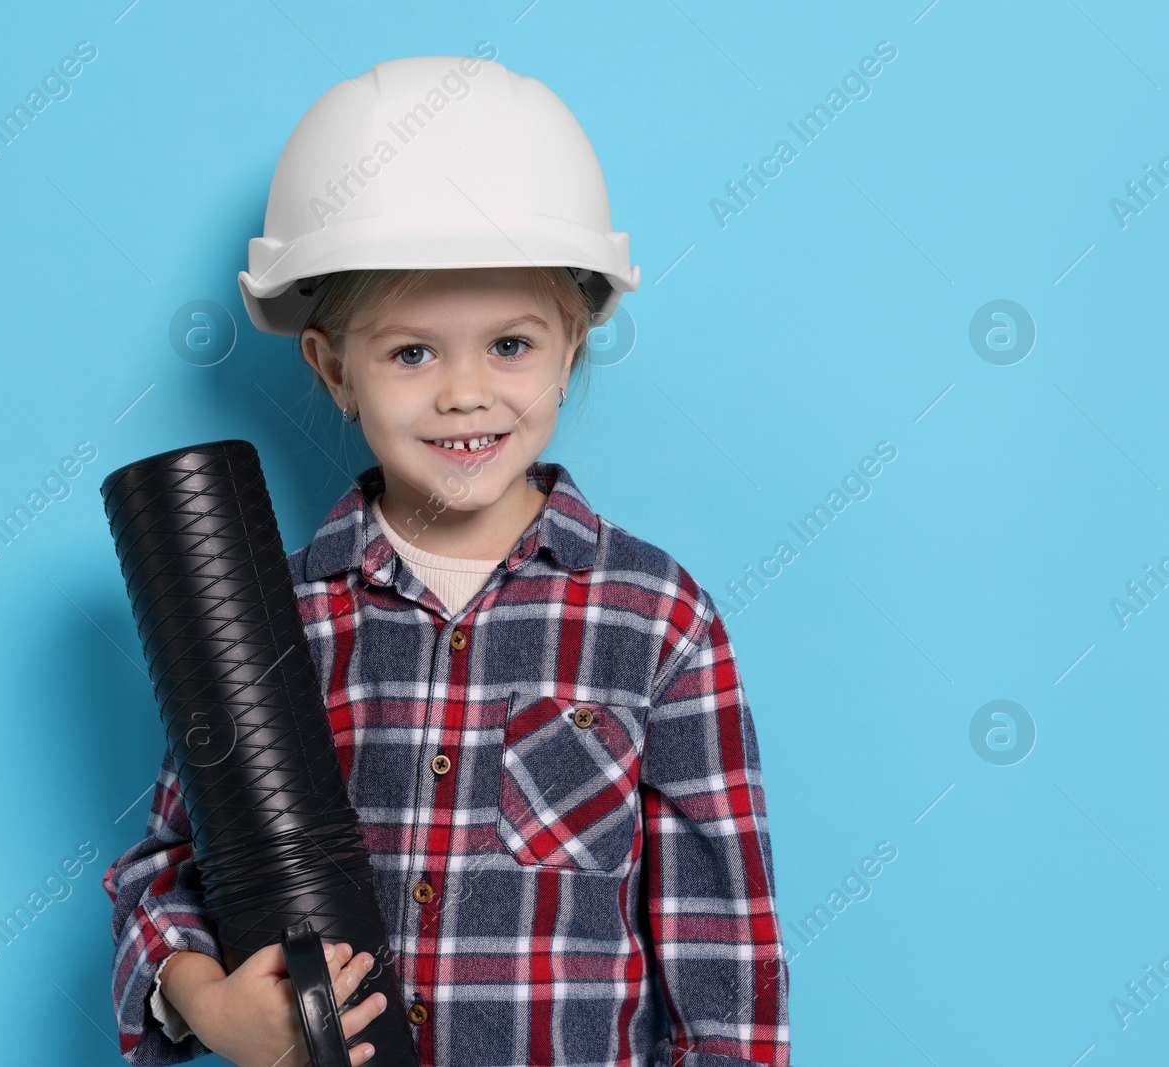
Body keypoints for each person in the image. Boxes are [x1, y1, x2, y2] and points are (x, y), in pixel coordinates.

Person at [105, 53, 790, 1067]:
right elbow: (167, 864)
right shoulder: (266, 618)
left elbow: (721, 944)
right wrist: (205, 1002)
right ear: (333, 366)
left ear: (572, 345)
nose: (464, 393)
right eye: (411, 352)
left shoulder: (657, 620)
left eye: (509, 344)